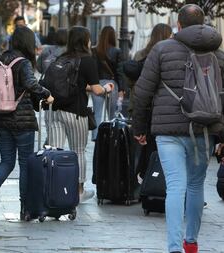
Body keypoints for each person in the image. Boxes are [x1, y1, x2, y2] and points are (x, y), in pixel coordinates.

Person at [133, 4, 224, 253]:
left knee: (175, 186)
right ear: (203, 23)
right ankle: (191, 242)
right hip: (204, 130)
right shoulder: (218, 54)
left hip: (168, 132)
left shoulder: (162, 50)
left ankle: (174, 247)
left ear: (179, 25)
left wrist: (139, 127)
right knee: (196, 186)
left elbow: (142, 92)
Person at [0, 26, 54, 220]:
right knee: (25, 165)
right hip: (22, 121)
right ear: (28, 43)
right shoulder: (23, 63)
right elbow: (31, 84)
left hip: (0, 118)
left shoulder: (0, 59)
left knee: (6, 161)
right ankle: (25, 208)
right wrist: (46, 94)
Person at [48, 26, 114, 203]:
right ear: (85, 40)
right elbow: (96, 89)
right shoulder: (87, 60)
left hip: (54, 111)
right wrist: (107, 88)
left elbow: (74, 84)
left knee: (54, 151)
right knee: (78, 151)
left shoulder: (61, 58)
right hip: (75, 112)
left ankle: (52, 188)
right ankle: (78, 191)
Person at [129, 23, 172, 182]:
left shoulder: (140, 54)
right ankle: (155, 182)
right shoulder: (166, 56)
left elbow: (134, 83)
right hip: (159, 108)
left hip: (142, 106)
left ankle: (145, 178)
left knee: (146, 147)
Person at [91, 26, 125, 141]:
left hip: (97, 84)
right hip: (111, 85)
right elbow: (119, 72)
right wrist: (121, 89)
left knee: (97, 113)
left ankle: (96, 137)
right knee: (112, 114)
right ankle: (112, 134)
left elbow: (93, 69)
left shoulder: (94, 50)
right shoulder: (117, 51)